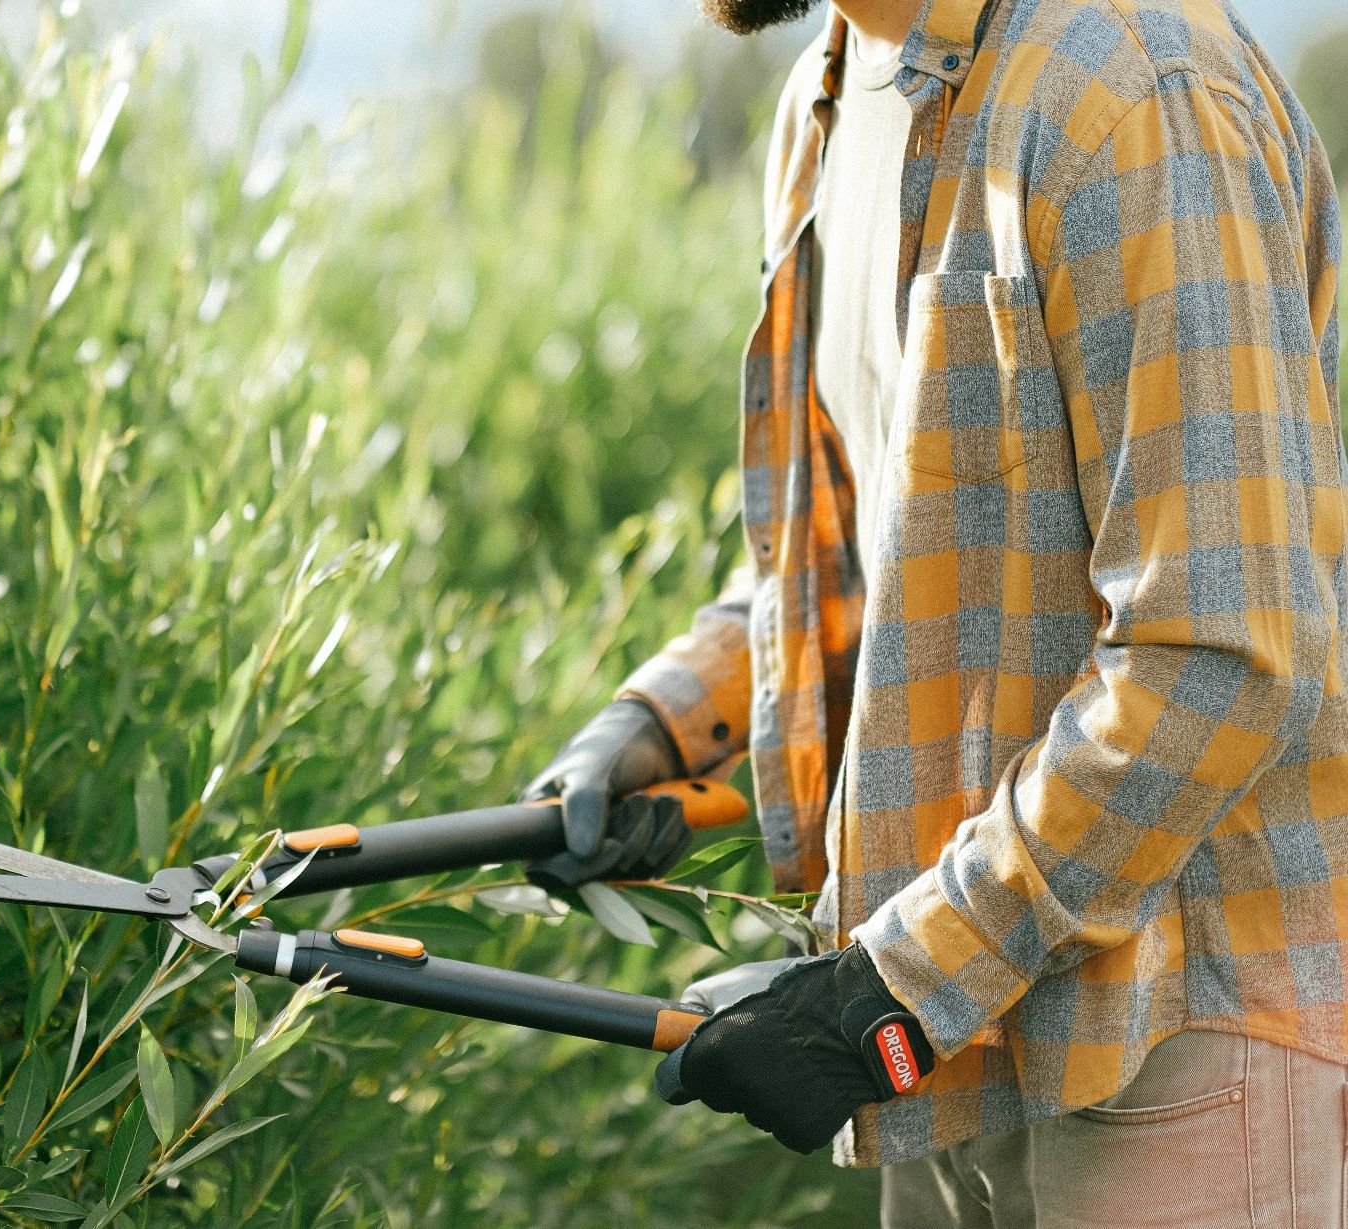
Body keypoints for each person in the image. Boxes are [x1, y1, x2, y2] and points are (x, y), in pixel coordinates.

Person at [521, 0, 1345, 1222]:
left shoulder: (1133, 93)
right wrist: (662, 723)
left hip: (1179, 1041)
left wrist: (891, 993)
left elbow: (1218, 647)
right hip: (959, 1042)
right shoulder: (829, 98)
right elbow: (876, 555)